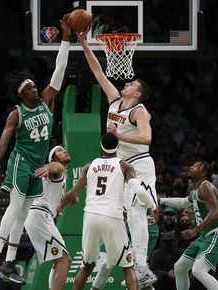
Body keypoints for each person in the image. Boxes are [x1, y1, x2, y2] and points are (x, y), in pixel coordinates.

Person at [0, 15, 72, 284]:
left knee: (22, 213)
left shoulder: (46, 102)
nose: (34, 87)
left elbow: (60, 71)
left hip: (36, 166)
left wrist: (66, 39)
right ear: (22, 94)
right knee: (15, 207)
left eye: (34, 85)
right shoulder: (16, 113)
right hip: (20, 161)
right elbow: (2, 144)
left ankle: (8, 262)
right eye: (29, 87)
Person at [77, 26, 158, 289]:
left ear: (137, 94)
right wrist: (83, 43)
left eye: (132, 84)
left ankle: (143, 267)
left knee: (136, 212)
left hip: (139, 164)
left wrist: (118, 136)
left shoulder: (139, 111)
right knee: (123, 214)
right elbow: (98, 71)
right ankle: (119, 270)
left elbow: (146, 139)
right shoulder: (114, 101)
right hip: (121, 166)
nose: (127, 83)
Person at [60, 133, 159, 290]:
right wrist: (153, 207)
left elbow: (72, 193)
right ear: (118, 147)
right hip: (112, 216)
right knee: (128, 267)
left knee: (86, 267)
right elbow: (139, 191)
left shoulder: (89, 166)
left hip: (90, 217)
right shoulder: (125, 166)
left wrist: (59, 208)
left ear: (101, 146)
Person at [159, 161, 218, 290]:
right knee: (180, 267)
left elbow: (215, 213)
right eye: (192, 165)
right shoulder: (195, 191)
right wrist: (159, 200)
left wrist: (195, 230)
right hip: (206, 236)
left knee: (198, 270)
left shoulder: (206, 187)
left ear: (204, 173)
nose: (191, 167)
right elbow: (183, 202)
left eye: (196, 166)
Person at [25, 146, 73, 290]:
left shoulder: (62, 176)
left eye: (64, 149)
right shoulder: (57, 167)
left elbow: (57, 205)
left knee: (60, 260)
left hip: (41, 215)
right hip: (39, 214)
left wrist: (65, 202)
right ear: (54, 158)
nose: (64, 151)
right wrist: (48, 167)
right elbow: (54, 168)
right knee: (64, 261)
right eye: (59, 151)